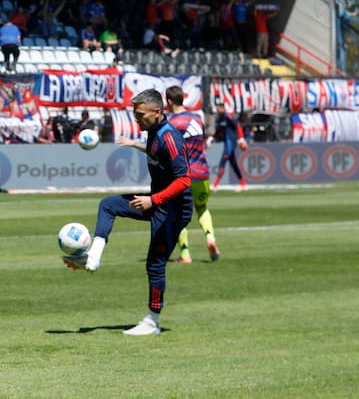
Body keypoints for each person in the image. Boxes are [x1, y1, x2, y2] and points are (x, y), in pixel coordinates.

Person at [65, 88, 192, 336]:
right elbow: (156, 151)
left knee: (155, 265)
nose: (136, 119)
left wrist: (153, 200)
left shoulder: (169, 137)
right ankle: (93, 258)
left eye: (140, 114)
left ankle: (153, 322)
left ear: (157, 112)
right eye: (135, 114)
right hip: (156, 202)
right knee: (108, 204)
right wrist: (136, 144)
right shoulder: (155, 131)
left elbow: (184, 180)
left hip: (173, 210)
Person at [117, 86, 220, 263]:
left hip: (181, 174)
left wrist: (134, 144)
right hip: (202, 172)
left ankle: (185, 253)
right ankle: (210, 237)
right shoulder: (197, 118)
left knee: (175, 211)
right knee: (201, 208)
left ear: (169, 102)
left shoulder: (172, 125)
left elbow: (159, 150)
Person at [209, 102, 249, 192]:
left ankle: (215, 185)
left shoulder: (227, 116)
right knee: (233, 164)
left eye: (218, 108)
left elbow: (238, 125)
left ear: (222, 108)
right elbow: (219, 131)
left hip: (231, 143)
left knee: (222, 162)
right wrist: (212, 137)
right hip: (227, 143)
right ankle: (243, 184)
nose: (217, 110)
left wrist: (242, 139)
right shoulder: (220, 119)